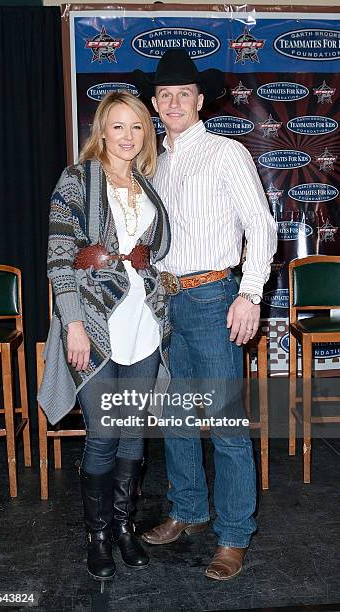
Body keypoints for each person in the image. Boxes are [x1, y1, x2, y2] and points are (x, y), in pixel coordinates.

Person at [133, 49, 277, 580]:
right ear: (155, 103)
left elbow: (261, 228)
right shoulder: (155, 163)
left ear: (200, 100)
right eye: (164, 95)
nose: (173, 102)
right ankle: (188, 510)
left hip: (215, 298)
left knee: (225, 425)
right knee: (174, 418)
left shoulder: (226, 153)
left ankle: (234, 535)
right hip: (164, 303)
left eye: (183, 94)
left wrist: (251, 294)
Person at [38, 91, 171, 584]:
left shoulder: (148, 184)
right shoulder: (76, 180)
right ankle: (95, 535)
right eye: (118, 126)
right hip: (92, 325)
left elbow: (155, 257)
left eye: (136, 126)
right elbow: (58, 257)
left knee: (133, 433)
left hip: (143, 325)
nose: (128, 136)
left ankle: (122, 527)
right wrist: (71, 323)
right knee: (103, 434)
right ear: (101, 130)